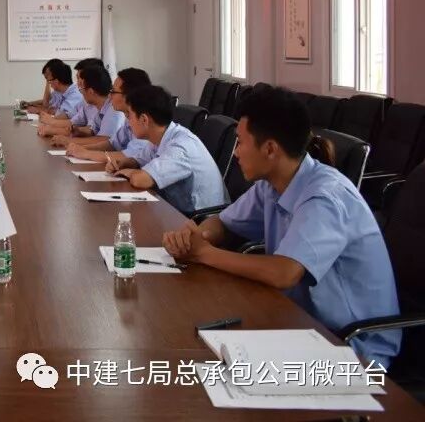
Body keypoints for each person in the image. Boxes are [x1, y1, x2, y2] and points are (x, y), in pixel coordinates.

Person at [162, 87, 400, 368]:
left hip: (353, 347)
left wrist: (204, 253)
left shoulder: (324, 197)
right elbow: (223, 222)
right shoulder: (271, 185)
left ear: (270, 149)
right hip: (300, 322)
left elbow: (284, 273)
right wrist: (196, 237)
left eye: (240, 142)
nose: (235, 152)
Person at [111, 84, 226, 214]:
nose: (128, 122)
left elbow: (140, 180)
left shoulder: (180, 146)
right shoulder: (161, 136)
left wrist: (129, 172)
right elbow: (140, 160)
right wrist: (124, 163)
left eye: (129, 116)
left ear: (144, 120)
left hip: (198, 219)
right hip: (176, 211)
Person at [53, 67, 155, 166]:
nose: (109, 96)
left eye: (113, 92)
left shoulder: (143, 120)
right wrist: (83, 149)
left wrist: (86, 153)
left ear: (128, 96)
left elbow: (132, 155)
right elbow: (112, 144)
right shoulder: (129, 118)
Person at [38, 65, 124, 139]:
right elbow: (92, 130)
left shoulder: (114, 108)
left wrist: (68, 141)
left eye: (81, 88)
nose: (80, 91)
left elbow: (105, 141)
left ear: (91, 91)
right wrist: (78, 131)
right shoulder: (100, 108)